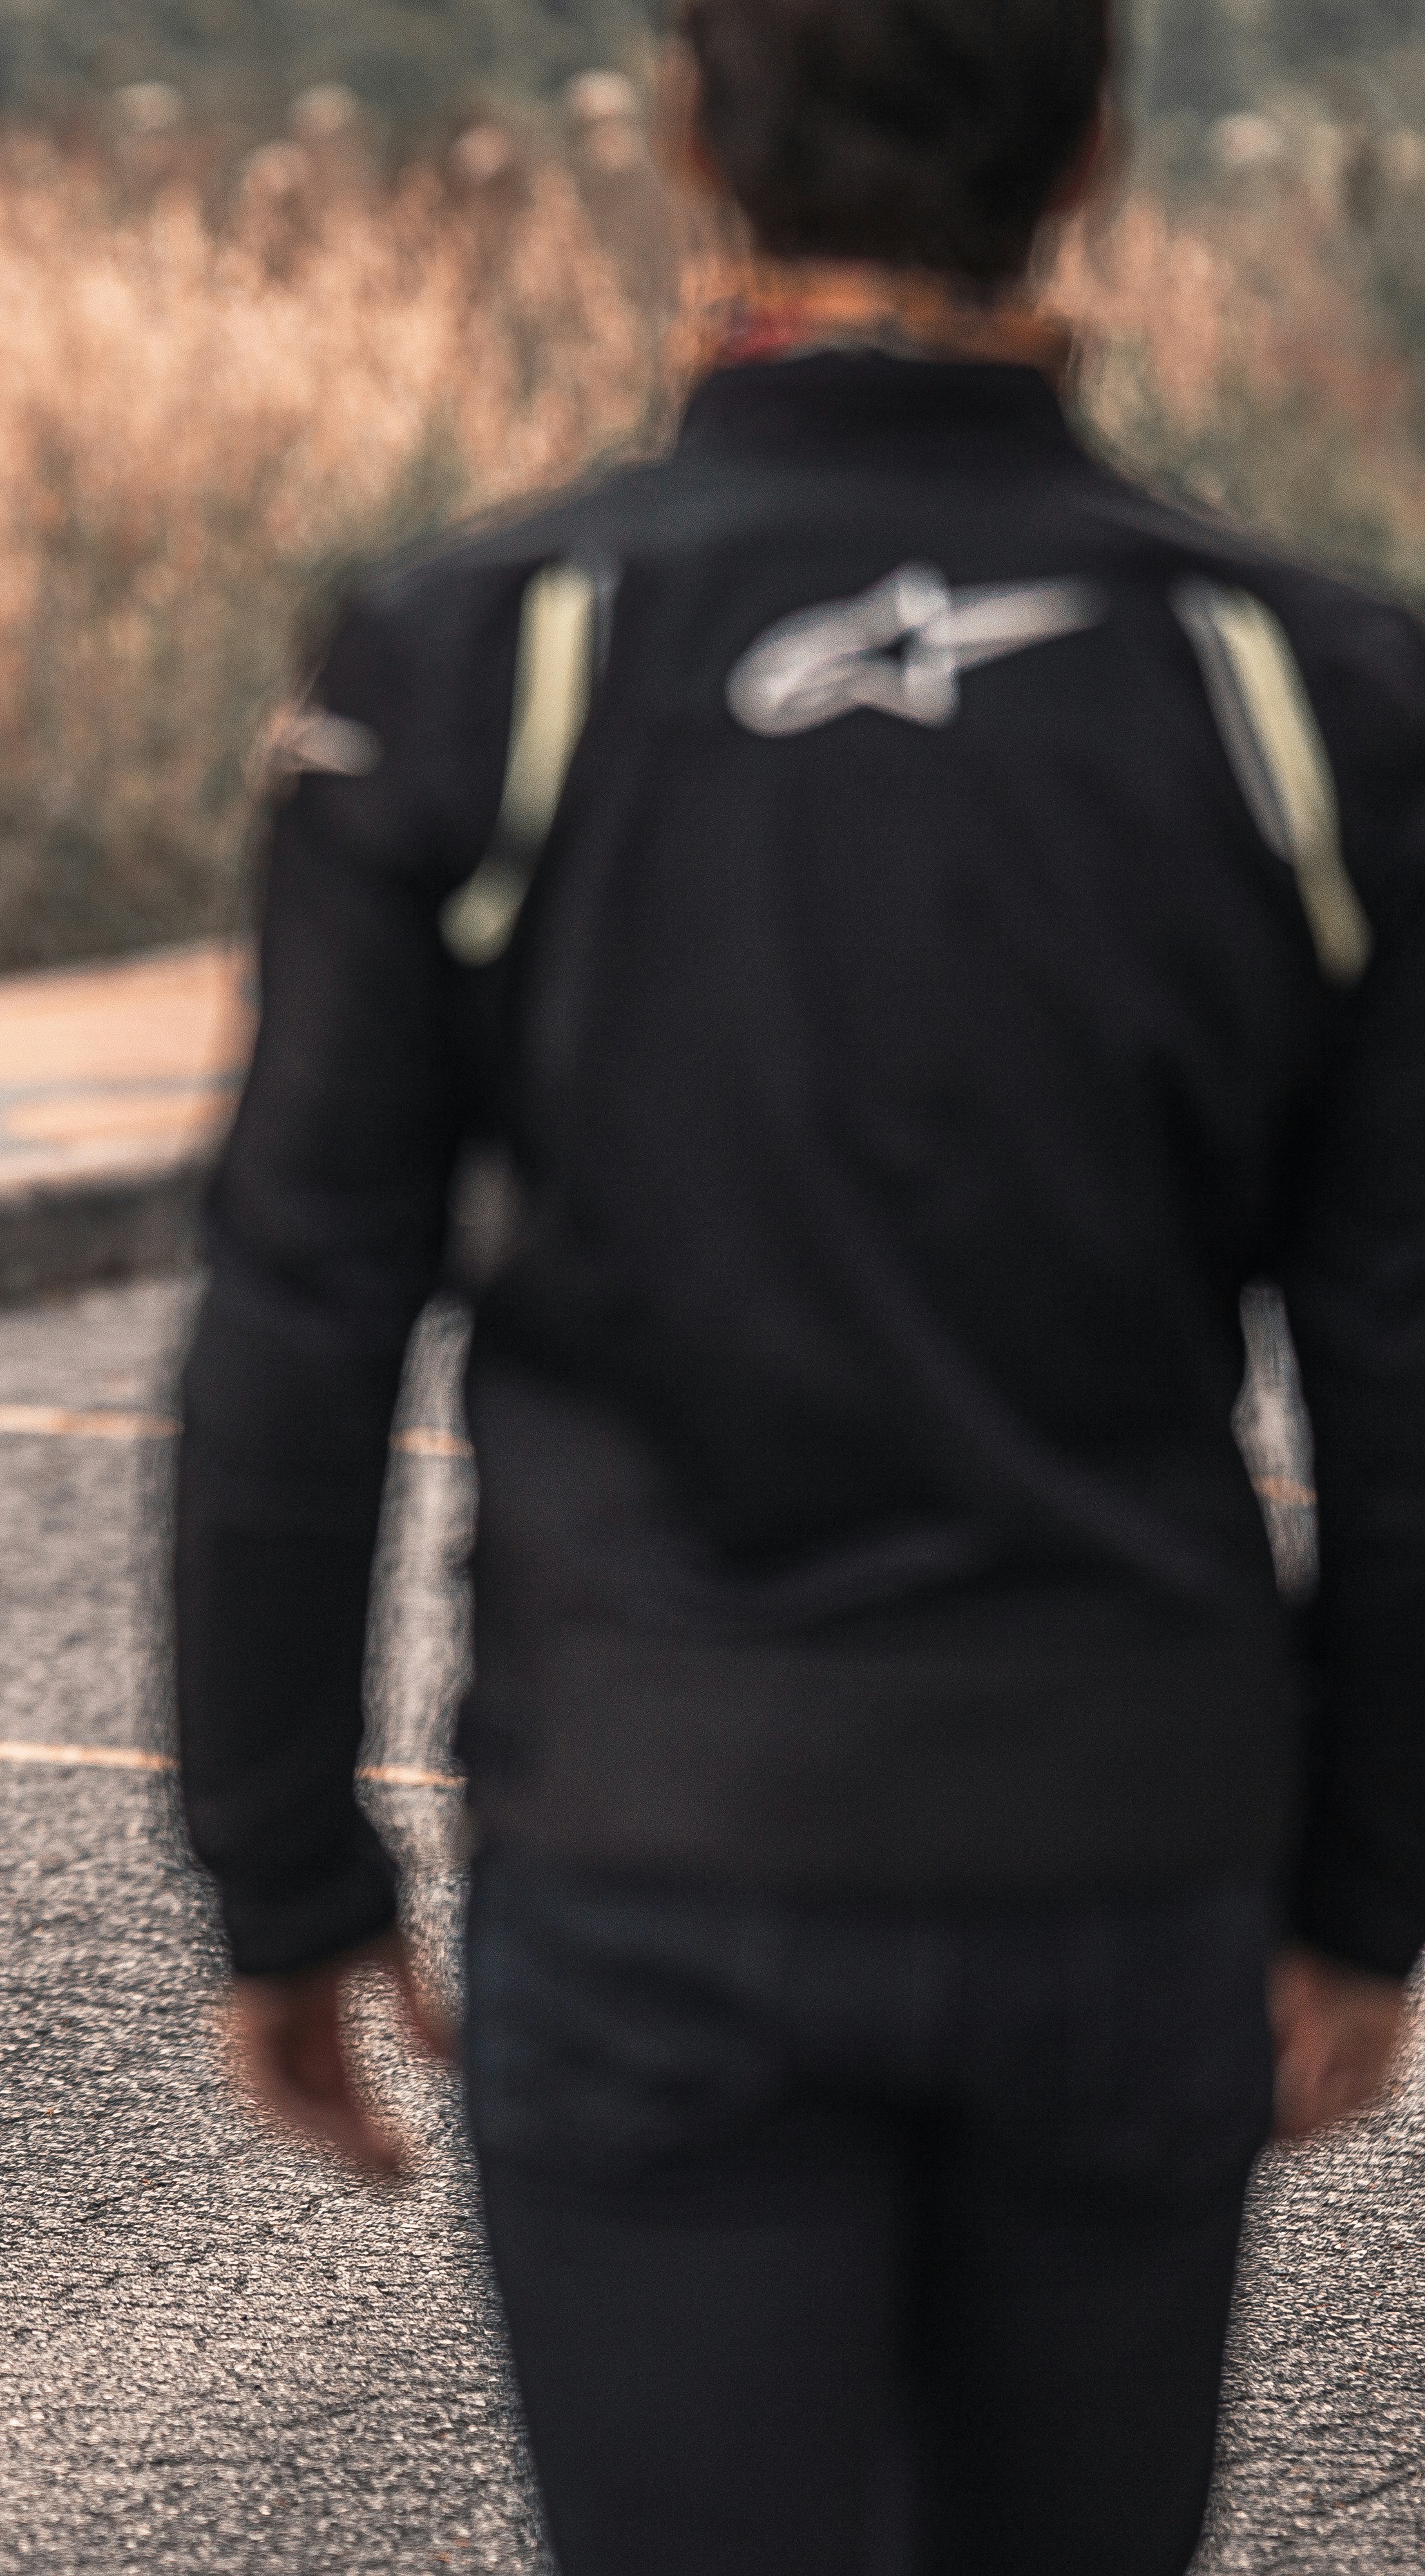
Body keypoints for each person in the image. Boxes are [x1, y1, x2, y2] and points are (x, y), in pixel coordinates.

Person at [170, 3, 1425, 2568]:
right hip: (1123, 1876)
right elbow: (1403, 1355)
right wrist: (1365, 1890)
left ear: (682, 134)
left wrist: (286, 1875)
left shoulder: (475, 651)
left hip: (665, 1864)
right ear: (1094, 148)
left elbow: (304, 1303)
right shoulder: (1312, 686)